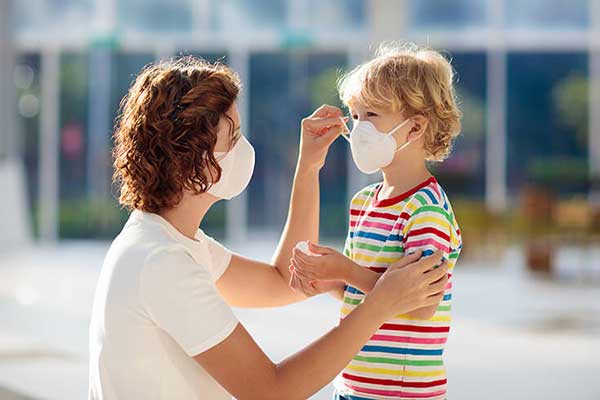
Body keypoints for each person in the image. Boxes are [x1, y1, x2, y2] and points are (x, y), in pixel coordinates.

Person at [88, 56, 449, 400]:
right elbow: (270, 392)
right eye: (233, 139)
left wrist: (308, 167)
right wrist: (380, 303)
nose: (245, 148)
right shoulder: (162, 262)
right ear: (194, 161)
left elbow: (283, 281)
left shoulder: (175, 243)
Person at [290, 43, 463, 400]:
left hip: (402, 393)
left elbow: (422, 304)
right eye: (354, 116)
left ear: (414, 127)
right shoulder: (364, 202)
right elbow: (362, 292)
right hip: (351, 384)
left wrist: (344, 269)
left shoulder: (426, 209)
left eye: (371, 114)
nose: (358, 128)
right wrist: (327, 281)